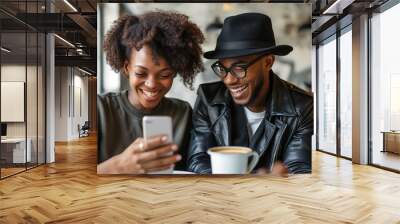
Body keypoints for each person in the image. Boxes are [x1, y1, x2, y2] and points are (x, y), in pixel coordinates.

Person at [188, 13, 313, 174]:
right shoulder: (208, 99)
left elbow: (298, 169)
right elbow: (198, 159)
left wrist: (281, 181)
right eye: (222, 69)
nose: (228, 80)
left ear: (268, 62)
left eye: (239, 68)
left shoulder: (303, 108)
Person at [97, 11, 204, 174]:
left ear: (175, 72)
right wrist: (119, 167)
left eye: (165, 75)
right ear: (127, 68)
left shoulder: (182, 113)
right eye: (141, 73)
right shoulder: (100, 108)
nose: (152, 84)